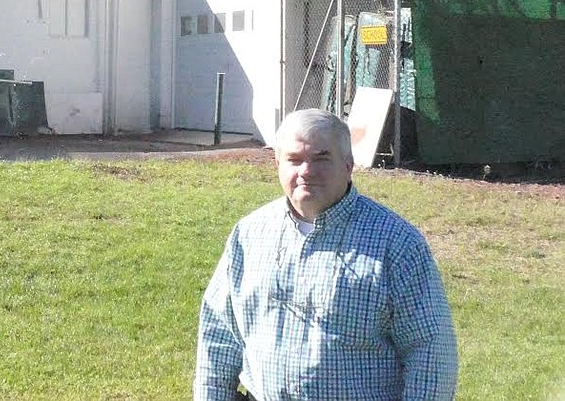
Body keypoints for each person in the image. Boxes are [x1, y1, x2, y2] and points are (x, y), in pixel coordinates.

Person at [194, 108, 457, 401]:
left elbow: (431, 351)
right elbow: (218, 336)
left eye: (321, 158)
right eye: (294, 160)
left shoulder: (396, 244)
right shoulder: (249, 234)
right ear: (277, 163)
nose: (306, 171)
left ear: (348, 164)